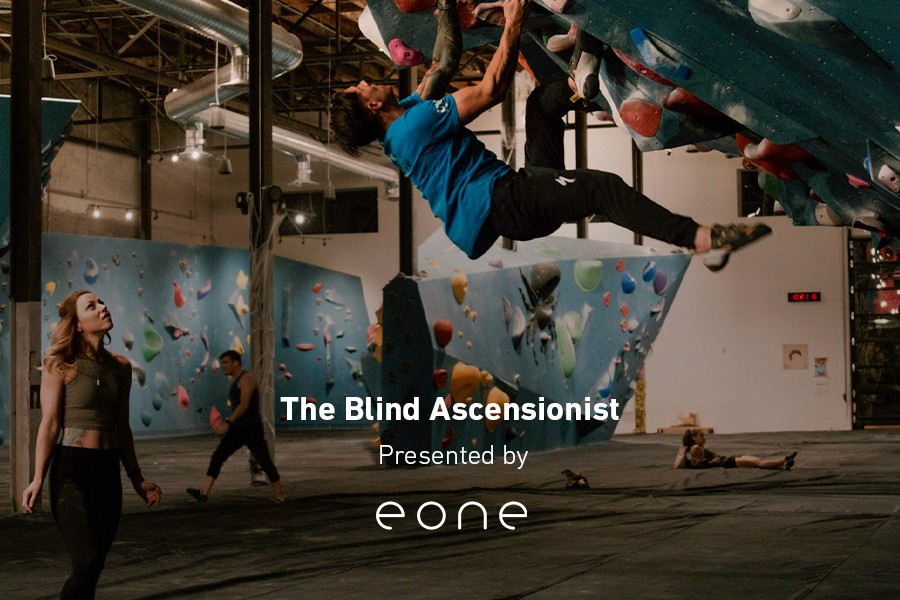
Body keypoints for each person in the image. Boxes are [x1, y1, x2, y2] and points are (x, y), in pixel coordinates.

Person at [330, 0, 771, 271]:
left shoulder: (402, 122)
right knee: (601, 187)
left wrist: (446, 5)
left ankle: (582, 82)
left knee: (540, 107)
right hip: (506, 204)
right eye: (361, 87)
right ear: (371, 106)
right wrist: (513, 21)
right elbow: (490, 89)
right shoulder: (412, 129)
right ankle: (699, 239)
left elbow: (442, 65)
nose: (366, 81)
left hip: (508, 201)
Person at [21, 289, 162, 599]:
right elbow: (50, 425)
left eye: (102, 301)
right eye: (92, 305)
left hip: (107, 473)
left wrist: (136, 478)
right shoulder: (61, 364)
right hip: (72, 473)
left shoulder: (121, 368)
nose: (102, 306)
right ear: (78, 323)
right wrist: (36, 479)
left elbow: (122, 426)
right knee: (85, 561)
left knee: (95, 566)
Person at [186, 350, 285, 503]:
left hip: (251, 428)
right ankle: (203, 493)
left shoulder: (247, 379)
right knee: (218, 456)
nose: (223, 366)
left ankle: (280, 494)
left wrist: (227, 423)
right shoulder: (236, 380)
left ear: (235, 362)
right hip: (238, 428)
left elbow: (244, 405)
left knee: (264, 460)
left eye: (225, 362)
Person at [674, 429, 797, 470]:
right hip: (727, 462)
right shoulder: (696, 448)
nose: (704, 437)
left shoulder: (697, 447)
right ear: (694, 438)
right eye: (701, 435)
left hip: (726, 459)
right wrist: (711, 463)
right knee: (757, 462)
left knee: (758, 459)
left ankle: (783, 466)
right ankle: (783, 460)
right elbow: (698, 464)